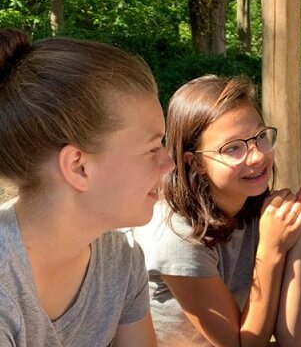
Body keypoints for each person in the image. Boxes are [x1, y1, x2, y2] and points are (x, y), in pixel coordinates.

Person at [0, 29, 175, 346]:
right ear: (78, 167)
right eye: (152, 148)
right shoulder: (5, 286)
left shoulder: (120, 259)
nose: (169, 164)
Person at [134, 75, 301, 347]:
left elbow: (294, 339)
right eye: (233, 148)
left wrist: (300, 232)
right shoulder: (176, 234)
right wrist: (271, 249)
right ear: (194, 162)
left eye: (260, 137)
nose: (257, 156)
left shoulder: (256, 208)